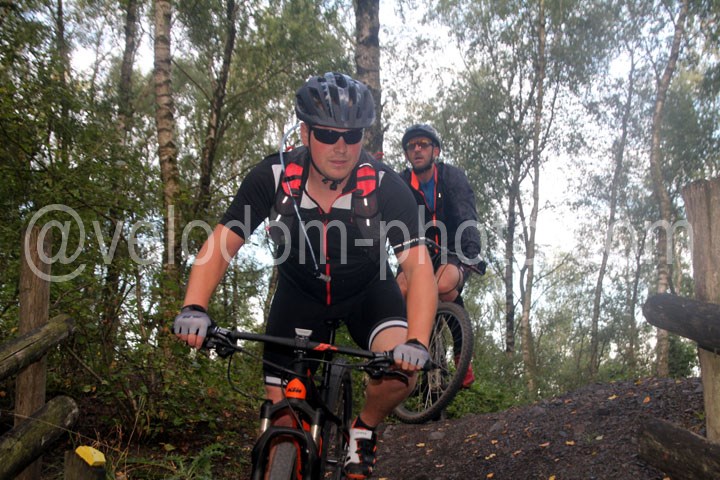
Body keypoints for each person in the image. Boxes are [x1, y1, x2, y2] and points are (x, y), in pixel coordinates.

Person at [173, 72, 436, 479]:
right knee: (282, 421)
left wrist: (417, 340)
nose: (341, 147)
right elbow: (221, 245)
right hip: (299, 296)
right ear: (305, 132)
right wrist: (195, 306)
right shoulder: (273, 177)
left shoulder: (386, 186)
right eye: (328, 134)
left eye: (352, 136)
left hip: (368, 292)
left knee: (401, 373)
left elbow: (418, 268)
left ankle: (363, 429)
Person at [395, 123, 481, 388]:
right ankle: (401, 352)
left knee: (443, 286)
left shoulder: (452, 177)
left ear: (436, 151)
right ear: (407, 154)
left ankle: (462, 355)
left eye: (423, 144)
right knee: (400, 291)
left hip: (451, 250)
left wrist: (471, 254)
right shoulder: (401, 182)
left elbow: (467, 215)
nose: (417, 149)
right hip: (416, 251)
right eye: (412, 146)